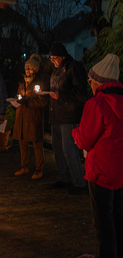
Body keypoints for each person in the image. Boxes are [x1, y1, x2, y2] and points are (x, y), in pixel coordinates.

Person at [72, 54, 123, 258]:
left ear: (99, 82)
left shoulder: (97, 104)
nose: (89, 84)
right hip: (120, 170)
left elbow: (84, 140)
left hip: (101, 170)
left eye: (91, 81)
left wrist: (75, 131)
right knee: (119, 217)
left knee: (102, 220)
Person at [49, 42, 88, 194]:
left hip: (69, 116)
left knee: (68, 149)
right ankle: (64, 178)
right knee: (58, 149)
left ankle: (80, 182)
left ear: (62, 56)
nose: (52, 61)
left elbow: (81, 93)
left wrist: (61, 96)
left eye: (54, 58)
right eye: (51, 58)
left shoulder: (73, 67)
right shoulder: (55, 71)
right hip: (56, 115)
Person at [13, 54, 48, 180]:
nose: (27, 70)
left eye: (30, 68)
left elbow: (43, 100)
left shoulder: (39, 82)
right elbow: (18, 95)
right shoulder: (22, 82)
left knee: (36, 143)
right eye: (26, 68)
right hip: (22, 116)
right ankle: (24, 166)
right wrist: (18, 99)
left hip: (33, 117)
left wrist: (27, 102)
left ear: (35, 69)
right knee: (22, 143)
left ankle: (39, 169)